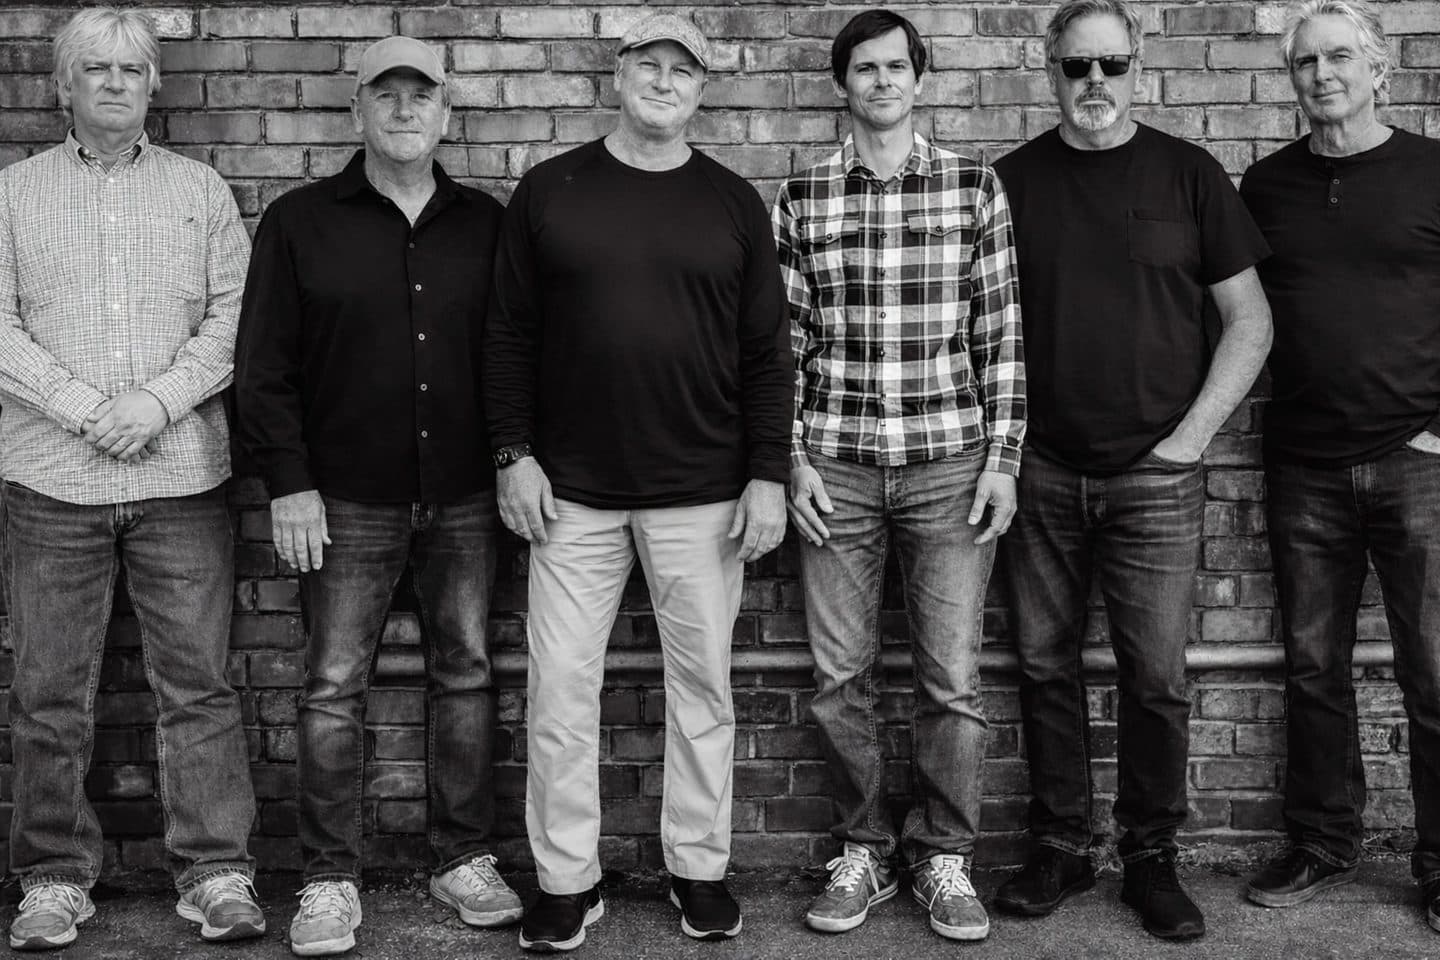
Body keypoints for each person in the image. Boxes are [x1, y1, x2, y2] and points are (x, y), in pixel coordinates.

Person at [483, 12, 791, 952]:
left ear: (703, 88)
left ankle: (698, 868)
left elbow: (767, 352)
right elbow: (507, 335)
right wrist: (512, 454)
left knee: (703, 692)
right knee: (561, 694)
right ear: (618, 75)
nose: (664, 81)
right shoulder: (550, 191)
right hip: (570, 495)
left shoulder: (734, 202)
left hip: (702, 493)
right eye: (647, 65)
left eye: (682, 70)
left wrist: (768, 474)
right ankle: (566, 883)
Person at [992, 0, 1273, 942]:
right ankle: (1063, 848)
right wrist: (1008, 444)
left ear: (1138, 66)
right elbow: (976, 330)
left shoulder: (1189, 174)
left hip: (1157, 475)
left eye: (1111, 64)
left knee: (1156, 677)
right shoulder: (1011, 184)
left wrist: (1191, 437)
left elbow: (1250, 321)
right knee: (1042, 667)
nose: (1095, 84)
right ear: (1051, 71)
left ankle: (1151, 858)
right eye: (1077, 67)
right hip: (1040, 473)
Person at [233, 35, 518, 958]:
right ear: (355, 109)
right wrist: (290, 482)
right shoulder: (300, 221)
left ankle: (463, 856)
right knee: (329, 686)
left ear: (446, 113)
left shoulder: (487, 224)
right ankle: (327, 878)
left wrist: (521, 457)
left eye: (420, 96)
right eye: (385, 95)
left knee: (468, 673)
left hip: (469, 494)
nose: (403, 110)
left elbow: (517, 356)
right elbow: (264, 365)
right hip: (343, 496)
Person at [0, 7, 264, 951]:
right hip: (48, 481)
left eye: (131, 68)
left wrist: (154, 404)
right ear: (61, 86)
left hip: (182, 474)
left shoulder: (200, 191)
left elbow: (238, 319)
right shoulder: (13, 194)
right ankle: (54, 876)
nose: (114, 82)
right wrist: (83, 408)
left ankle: (216, 871)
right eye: (94, 69)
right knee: (47, 690)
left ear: (155, 85)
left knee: (196, 685)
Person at [773, 8, 1025, 944]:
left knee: (949, 678)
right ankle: (864, 851)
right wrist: (792, 459)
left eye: (895, 67)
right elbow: (785, 345)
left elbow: (999, 337)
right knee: (839, 675)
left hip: (950, 465)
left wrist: (1002, 461)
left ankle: (946, 857)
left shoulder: (973, 186)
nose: (881, 82)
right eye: (863, 69)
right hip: (835, 464)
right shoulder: (803, 194)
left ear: (919, 80)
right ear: (843, 84)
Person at [1239, 0, 1440, 930]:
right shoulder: (1265, 186)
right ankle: (1322, 841)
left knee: (1431, 670)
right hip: (1303, 465)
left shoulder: (1432, 170)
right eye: (1305, 63)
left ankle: (1438, 862)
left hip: (1418, 464)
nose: (1322, 75)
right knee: (1313, 667)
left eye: (1339, 58)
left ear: (1378, 67)